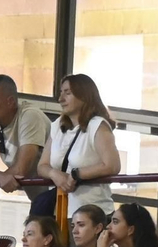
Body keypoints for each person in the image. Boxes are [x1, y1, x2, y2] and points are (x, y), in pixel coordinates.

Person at [42, 74, 120, 216]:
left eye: (68, 93)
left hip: (92, 214)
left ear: (84, 96)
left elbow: (112, 166)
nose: (61, 99)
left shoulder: (98, 126)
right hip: (59, 212)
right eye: (61, 92)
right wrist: (54, 174)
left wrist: (77, 174)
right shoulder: (57, 126)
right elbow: (42, 165)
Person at [0, 74, 50, 198]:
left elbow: (21, 170)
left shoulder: (30, 116)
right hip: (38, 196)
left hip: (60, 192)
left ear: (10, 102)